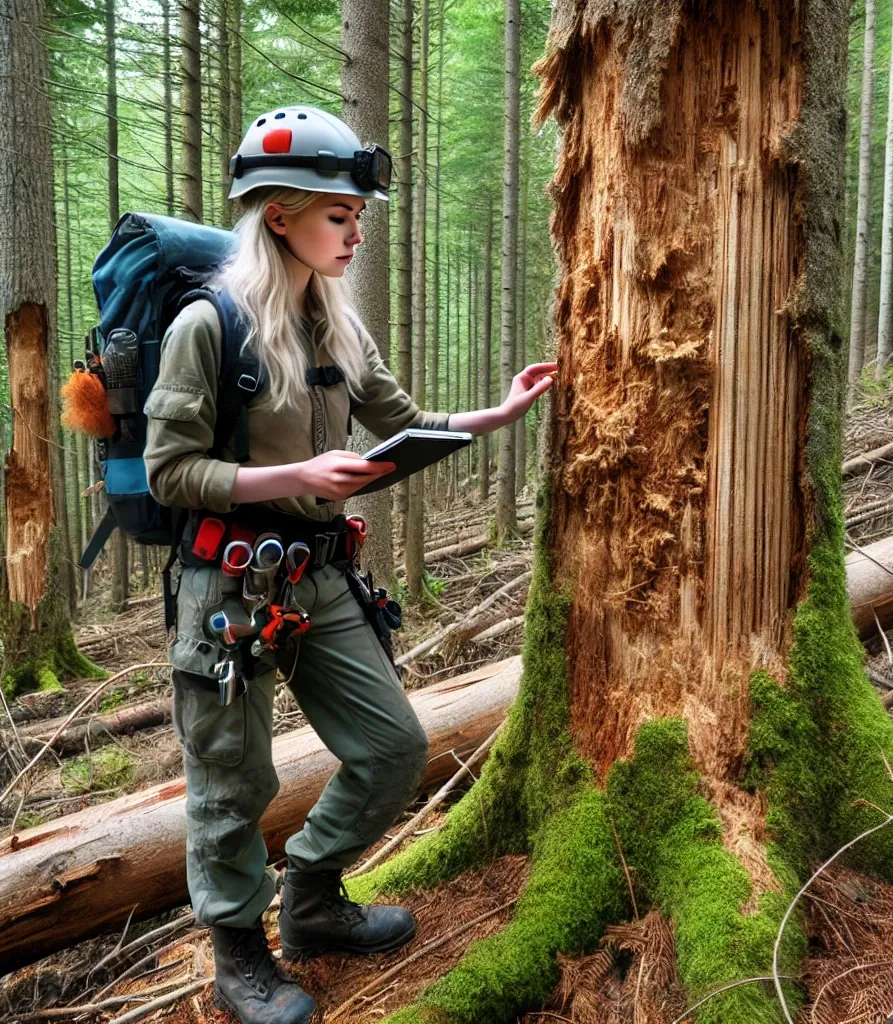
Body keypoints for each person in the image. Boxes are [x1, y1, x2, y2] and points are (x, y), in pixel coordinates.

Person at [142, 104, 556, 1024]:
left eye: (359, 217)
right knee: (231, 782)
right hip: (229, 586)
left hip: (321, 575)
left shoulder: (337, 323)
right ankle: (240, 957)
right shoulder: (207, 327)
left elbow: (397, 420)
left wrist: (496, 413)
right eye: (339, 215)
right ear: (278, 215)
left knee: (393, 748)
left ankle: (315, 898)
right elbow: (171, 474)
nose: (354, 232)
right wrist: (294, 472)